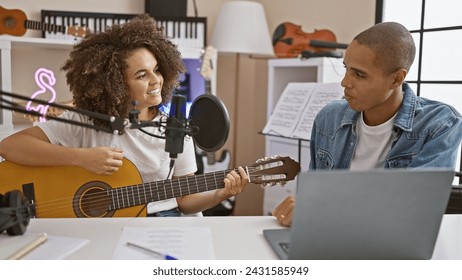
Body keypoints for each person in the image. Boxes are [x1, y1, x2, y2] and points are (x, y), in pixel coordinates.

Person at [0, 14, 248, 217]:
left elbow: (185, 200)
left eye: (157, 69)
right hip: (96, 227)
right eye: (142, 75)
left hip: (159, 222)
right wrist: (81, 158)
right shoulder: (85, 121)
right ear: (115, 84)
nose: (156, 80)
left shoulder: (176, 128)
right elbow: (10, 146)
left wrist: (220, 194)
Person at [273, 21, 462, 226]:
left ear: (396, 79)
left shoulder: (440, 125)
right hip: (329, 234)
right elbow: (313, 194)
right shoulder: (328, 118)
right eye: (346, 69)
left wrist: (324, 208)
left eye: (359, 74)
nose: (345, 82)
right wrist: (300, 209)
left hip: (393, 244)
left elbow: (417, 207)